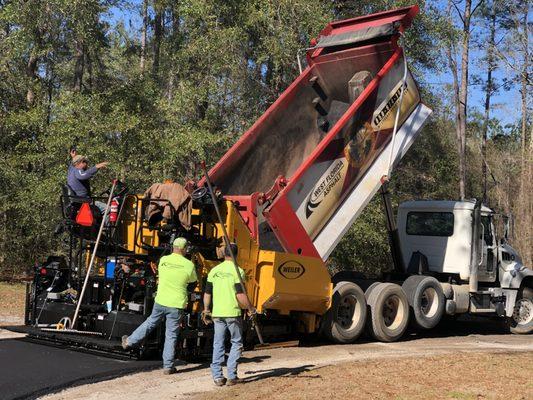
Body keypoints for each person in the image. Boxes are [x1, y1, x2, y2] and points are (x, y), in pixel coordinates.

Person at [122, 237, 197, 374]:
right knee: (171, 335)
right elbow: (193, 283)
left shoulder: (163, 260)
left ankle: (129, 342)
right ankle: (168, 366)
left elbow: (160, 275)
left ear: (173, 247)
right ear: (185, 249)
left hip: (161, 300)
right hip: (176, 303)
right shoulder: (189, 265)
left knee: (150, 322)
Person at [202, 243, 255, 386]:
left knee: (218, 343)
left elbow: (207, 293)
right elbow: (240, 295)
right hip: (232, 312)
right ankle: (232, 376)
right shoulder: (238, 271)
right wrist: (250, 307)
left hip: (217, 313)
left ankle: (218, 377)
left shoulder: (214, 271)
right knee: (236, 342)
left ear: (224, 253)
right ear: (237, 254)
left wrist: (206, 309)